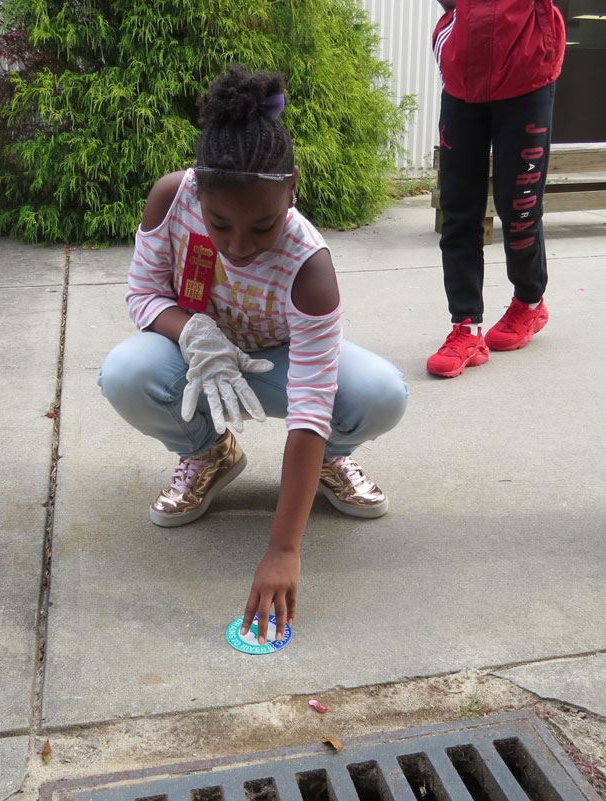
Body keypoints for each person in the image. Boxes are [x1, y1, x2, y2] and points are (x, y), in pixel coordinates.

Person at [98, 65, 408, 642]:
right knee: (127, 371)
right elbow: (143, 294)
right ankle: (209, 453)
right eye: (220, 225)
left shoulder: (309, 266)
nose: (239, 248)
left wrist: (283, 550)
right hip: (200, 359)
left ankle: (327, 463)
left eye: (262, 226)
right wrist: (193, 332)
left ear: (291, 187)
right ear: (198, 191)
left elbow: (311, 404)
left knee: (379, 393)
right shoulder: (172, 198)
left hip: (277, 363)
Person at [426, 0, 566, 378]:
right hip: (463, 75)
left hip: (526, 70)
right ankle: (466, 328)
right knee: (458, 210)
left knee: (517, 207)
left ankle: (529, 301)